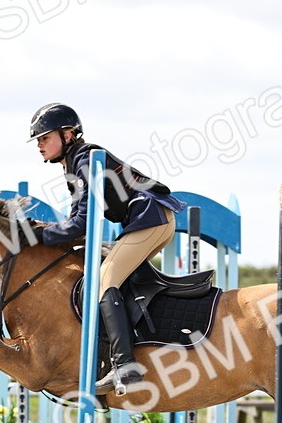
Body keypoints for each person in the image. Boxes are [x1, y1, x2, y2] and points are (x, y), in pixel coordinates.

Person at [28, 102, 185, 395]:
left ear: (68, 135)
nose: (39, 144)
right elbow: (78, 223)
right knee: (108, 273)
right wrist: (44, 230)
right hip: (148, 221)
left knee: (105, 279)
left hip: (152, 220)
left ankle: (125, 366)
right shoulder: (74, 163)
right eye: (38, 140)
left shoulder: (85, 161)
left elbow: (82, 225)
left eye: (45, 137)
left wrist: (39, 236)